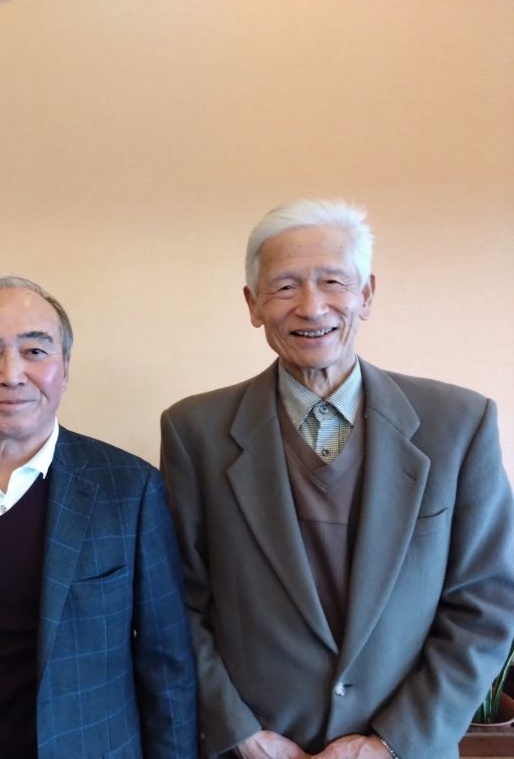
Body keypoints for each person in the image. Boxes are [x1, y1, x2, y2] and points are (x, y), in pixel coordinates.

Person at [160, 199, 514, 759]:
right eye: (284, 287)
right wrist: (241, 733)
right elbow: (177, 601)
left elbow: (486, 604)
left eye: (333, 282)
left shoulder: (458, 425)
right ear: (253, 305)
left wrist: (393, 742)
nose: (311, 306)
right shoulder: (194, 431)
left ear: (366, 295)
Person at [0, 276, 197, 759]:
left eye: (35, 351)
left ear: (65, 368)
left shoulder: (129, 487)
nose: (11, 374)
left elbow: (167, 667)